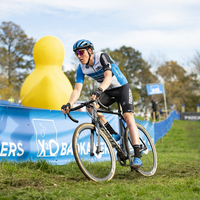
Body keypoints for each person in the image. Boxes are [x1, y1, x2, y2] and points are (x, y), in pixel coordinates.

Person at [61, 39, 142, 169]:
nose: (79, 56)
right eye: (77, 53)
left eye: (81, 52)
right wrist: (69, 104)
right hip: (107, 91)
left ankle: (137, 155)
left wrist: (99, 90)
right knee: (90, 107)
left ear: (90, 51)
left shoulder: (102, 57)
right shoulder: (81, 68)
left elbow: (108, 77)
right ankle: (112, 133)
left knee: (128, 118)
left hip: (121, 88)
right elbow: (77, 89)